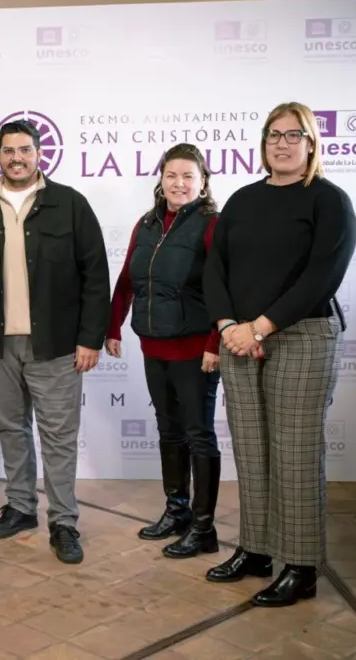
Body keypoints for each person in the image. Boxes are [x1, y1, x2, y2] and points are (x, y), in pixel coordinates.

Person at [203, 101, 356, 607]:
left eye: (294, 135)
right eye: (274, 134)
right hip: (238, 339)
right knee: (251, 449)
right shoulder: (243, 201)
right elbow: (215, 269)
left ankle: (301, 565)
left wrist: (261, 327)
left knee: (294, 454)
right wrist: (229, 326)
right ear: (263, 142)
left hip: (301, 336)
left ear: (311, 144)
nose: (282, 143)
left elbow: (321, 276)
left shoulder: (328, 200)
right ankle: (257, 549)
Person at [0, 119, 110, 564]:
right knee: (11, 430)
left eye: (25, 149)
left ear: (39, 154)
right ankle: (20, 506)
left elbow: (96, 277)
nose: (16, 157)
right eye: (8, 150)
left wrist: (90, 337)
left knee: (58, 436)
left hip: (55, 345)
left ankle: (64, 521)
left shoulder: (70, 204)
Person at [105, 143, 222, 559]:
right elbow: (128, 278)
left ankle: (204, 528)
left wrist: (215, 343)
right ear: (161, 179)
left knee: (199, 434)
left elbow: (224, 289)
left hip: (195, 351)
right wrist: (113, 323)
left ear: (203, 182)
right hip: (153, 345)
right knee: (169, 432)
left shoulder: (211, 224)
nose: (179, 183)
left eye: (189, 176)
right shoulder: (147, 223)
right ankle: (177, 512)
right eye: (172, 175)